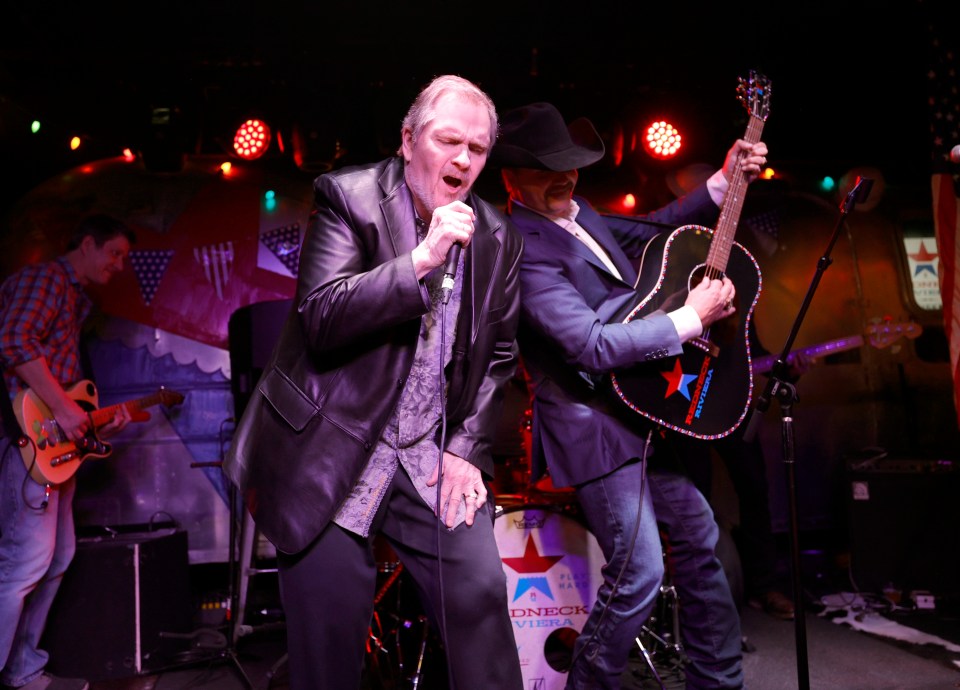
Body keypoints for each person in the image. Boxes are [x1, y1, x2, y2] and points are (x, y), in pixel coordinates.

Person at [222, 74, 524, 690]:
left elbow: (500, 353)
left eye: (479, 148)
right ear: (409, 140)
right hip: (328, 450)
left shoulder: (498, 235)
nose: (464, 160)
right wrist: (421, 259)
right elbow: (323, 317)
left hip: (425, 454)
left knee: (482, 596)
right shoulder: (348, 197)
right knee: (330, 644)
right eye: (449, 141)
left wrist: (467, 448)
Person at [491, 101, 768, 689]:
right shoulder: (520, 246)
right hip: (593, 427)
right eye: (545, 169)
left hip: (643, 410)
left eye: (569, 164)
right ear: (511, 178)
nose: (564, 177)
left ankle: (718, 683)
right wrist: (691, 319)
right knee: (640, 572)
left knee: (699, 541)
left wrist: (723, 180)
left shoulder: (579, 211)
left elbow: (654, 229)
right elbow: (589, 345)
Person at [0, 214, 135, 690]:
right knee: (23, 563)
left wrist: (93, 420)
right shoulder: (47, 278)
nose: (119, 265)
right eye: (114, 253)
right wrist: (64, 409)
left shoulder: (76, 300)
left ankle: (22, 669)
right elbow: (14, 341)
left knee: (55, 560)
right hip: (25, 447)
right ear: (87, 244)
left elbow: (65, 395)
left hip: (52, 449)